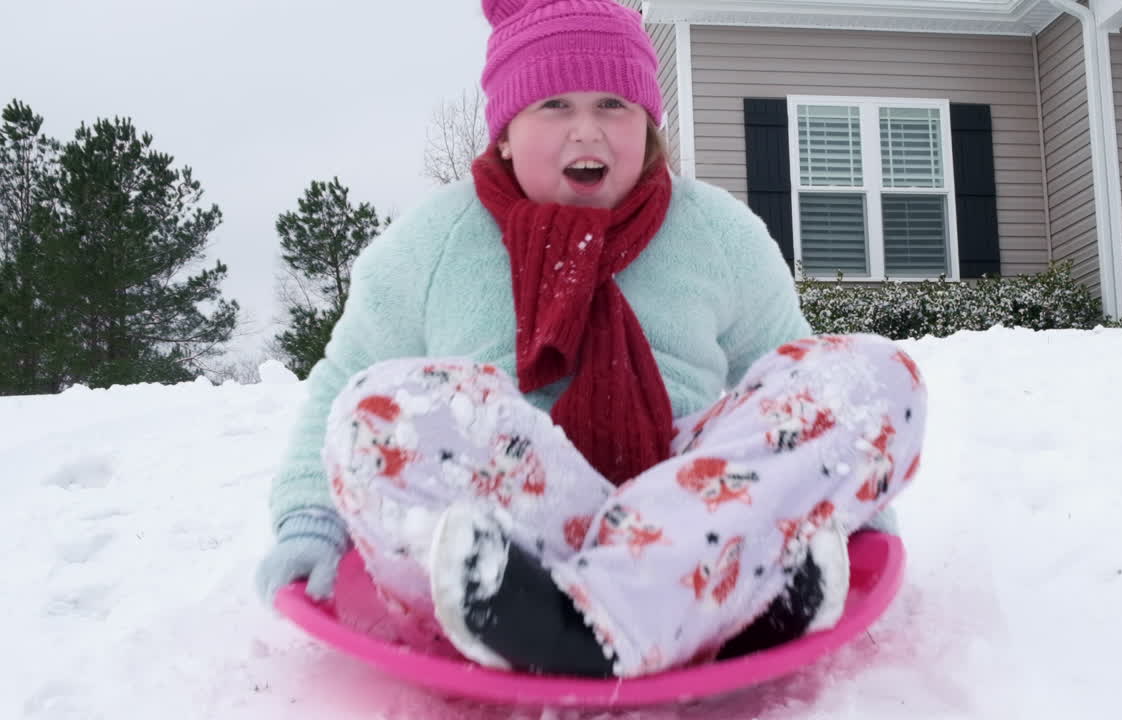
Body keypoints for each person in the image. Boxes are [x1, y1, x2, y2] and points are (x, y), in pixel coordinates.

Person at [256, 0, 927, 679]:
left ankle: (585, 624)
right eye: (554, 105)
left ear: (647, 124)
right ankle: (701, 608)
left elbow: (792, 376)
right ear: (506, 133)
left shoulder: (718, 233)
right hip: (514, 521)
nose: (588, 129)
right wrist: (310, 520)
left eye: (613, 104)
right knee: (380, 407)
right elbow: (343, 378)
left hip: (689, 503)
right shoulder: (433, 241)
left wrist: (844, 499)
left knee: (872, 377)